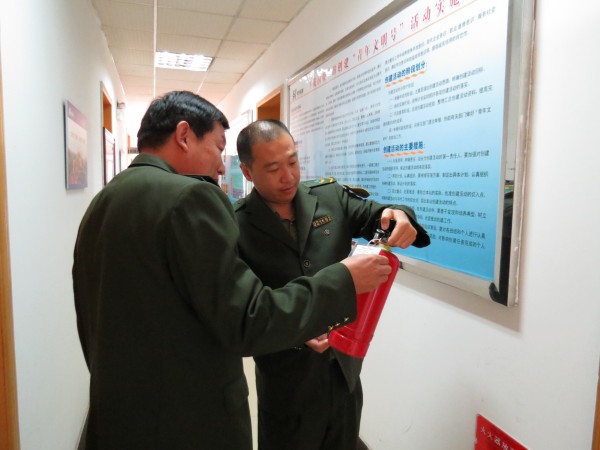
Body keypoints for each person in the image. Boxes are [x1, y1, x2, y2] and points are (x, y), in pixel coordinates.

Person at [72, 91, 392, 450]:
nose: (221, 167)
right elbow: (248, 319)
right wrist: (345, 278)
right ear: (184, 135)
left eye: (292, 162)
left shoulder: (104, 201)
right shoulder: (191, 198)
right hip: (187, 424)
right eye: (217, 147)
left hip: (122, 418)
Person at [234, 119, 430, 450]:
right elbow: (245, 310)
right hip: (285, 378)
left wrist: (399, 214)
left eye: (293, 162)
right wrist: (296, 330)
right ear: (248, 172)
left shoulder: (328, 196)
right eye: (273, 168)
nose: (288, 176)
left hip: (342, 368)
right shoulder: (236, 223)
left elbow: (376, 215)